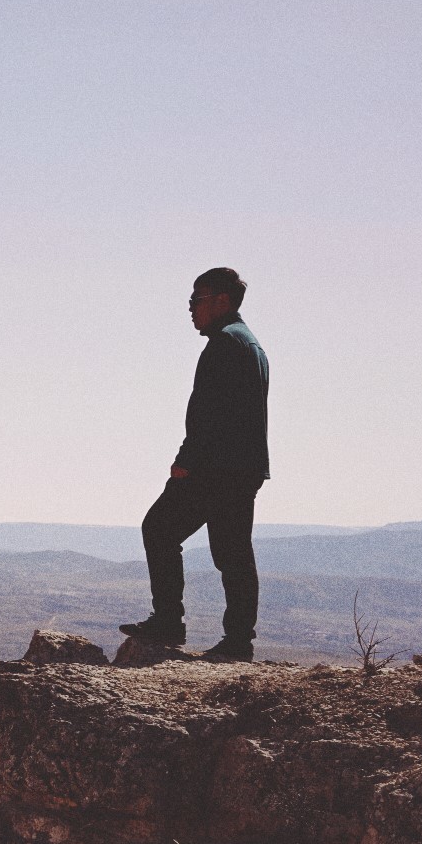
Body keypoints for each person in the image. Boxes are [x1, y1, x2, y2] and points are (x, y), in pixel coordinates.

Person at [120, 267, 270, 662]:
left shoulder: (225, 344)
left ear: (222, 300)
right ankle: (239, 642)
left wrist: (185, 463)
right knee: (233, 551)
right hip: (242, 467)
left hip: (214, 467)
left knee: (159, 528)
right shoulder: (250, 344)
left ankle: (170, 621)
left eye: (195, 300)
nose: (190, 309)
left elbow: (210, 414)